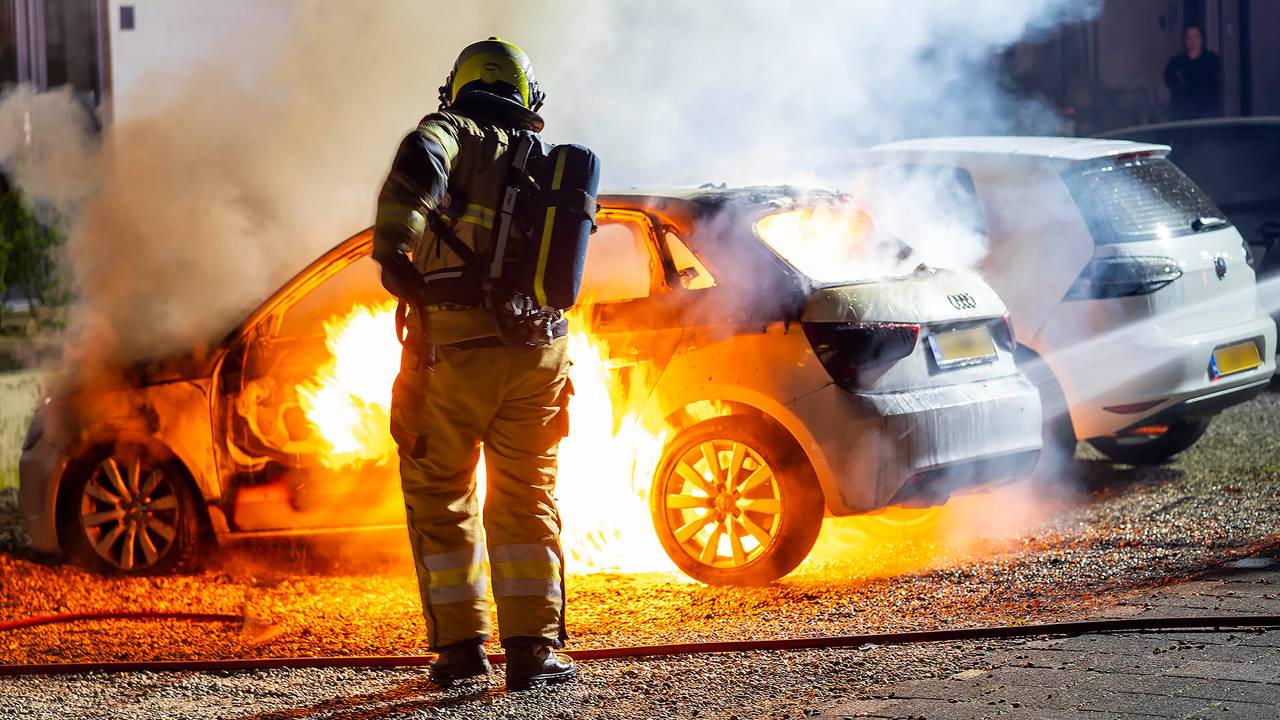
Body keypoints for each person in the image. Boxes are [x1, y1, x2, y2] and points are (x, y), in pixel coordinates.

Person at [372, 37, 577, 691]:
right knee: (526, 499)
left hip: (454, 352)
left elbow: (419, 161)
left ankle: (462, 652)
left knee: (441, 495)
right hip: (539, 355)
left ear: (459, 88)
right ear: (527, 98)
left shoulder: (453, 130)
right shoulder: (546, 161)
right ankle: (534, 655)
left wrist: (394, 249)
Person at [1164, 23, 1223, 120]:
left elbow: (1213, 85)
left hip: (1207, 112)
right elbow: (1171, 82)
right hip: (1184, 113)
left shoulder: (1211, 60)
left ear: (1202, 39)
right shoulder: (1176, 61)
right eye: (1188, 37)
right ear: (1184, 40)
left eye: (1196, 37)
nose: (1192, 41)